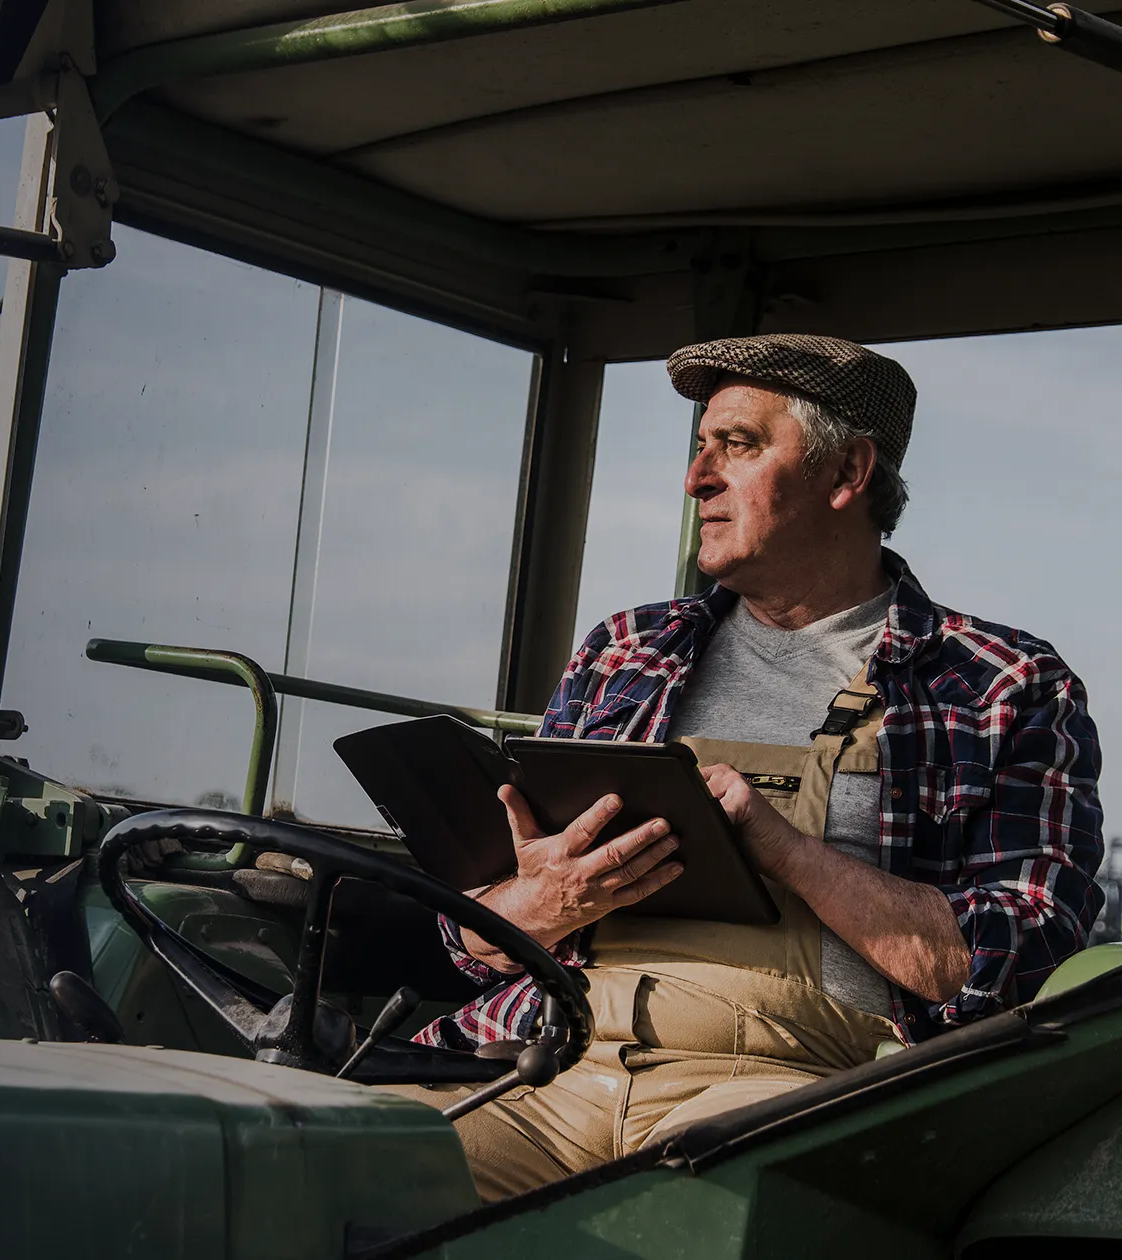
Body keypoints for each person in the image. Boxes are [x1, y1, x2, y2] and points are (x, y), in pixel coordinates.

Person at [392, 334, 1105, 1199]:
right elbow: (472, 941)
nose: (696, 479)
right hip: (552, 1061)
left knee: (699, 1215)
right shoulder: (626, 651)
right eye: (701, 446)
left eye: (737, 445)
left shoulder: (1003, 684)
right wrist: (539, 904)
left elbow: (1012, 966)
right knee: (321, 1162)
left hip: (793, 1083)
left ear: (846, 473)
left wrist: (785, 849)